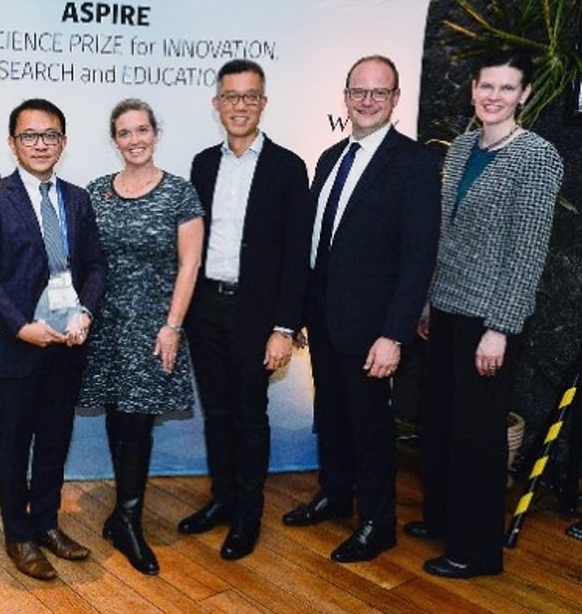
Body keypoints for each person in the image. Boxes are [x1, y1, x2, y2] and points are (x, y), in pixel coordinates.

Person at [408, 51, 562, 578]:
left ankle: (475, 551)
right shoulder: (460, 149)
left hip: (490, 320)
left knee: (477, 436)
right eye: (486, 86)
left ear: (525, 95)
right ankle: (445, 519)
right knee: (441, 422)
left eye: (507, 88)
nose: (494, 96)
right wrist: (428, 299)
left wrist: (500, 329)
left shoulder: (537, 158)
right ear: (473, 90)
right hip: (447, 307)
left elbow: (527, 251)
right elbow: (444, 235)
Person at [282, 55, 440, 563]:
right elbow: (317, 244)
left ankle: (378, 522)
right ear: (345, 96)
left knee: (370, 425)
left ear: (395, 99)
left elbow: (419, 257)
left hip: (374, 328)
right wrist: (304, 312)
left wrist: (393, 334)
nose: (367, 101)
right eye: (358, 92)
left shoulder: (414, 164)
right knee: (330, 413)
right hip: (326, 318)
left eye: (379, 92)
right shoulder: (329, 157)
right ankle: (335, 494)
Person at [179, 59, 312, 560]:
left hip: (258, 315)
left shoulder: (287, 167)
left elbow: (297, 255)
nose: (240, 105)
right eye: (230, 96)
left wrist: (284, 326)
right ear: (217, 105)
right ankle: (223, 500)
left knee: (249, 415)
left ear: (263, 104)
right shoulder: (202, 164)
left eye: (249, 96)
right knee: (216, 412)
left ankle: (248, 517)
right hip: (206, 307)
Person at [0, 98, 106, 581]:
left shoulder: (77, 198)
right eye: (30, 135)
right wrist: (19, 325)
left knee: (54, 438)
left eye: (50, 135)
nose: (41, 144)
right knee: (14, 443)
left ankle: (47, 523)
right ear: (13, 143)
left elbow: (95, 266)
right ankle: (19, 534)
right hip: (19, 342)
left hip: (69, 341)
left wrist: (86, 310)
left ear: (63, 143)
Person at [80, 99, 204, 575]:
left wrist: (172, 327)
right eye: (125, 133)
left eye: (142, 130)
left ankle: (129, 519)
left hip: (154, 327)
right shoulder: (95, 192)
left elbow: (190, 264)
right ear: (115, 140)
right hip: (104, 325)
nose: (135, 140)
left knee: (138, 421)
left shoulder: (179, 193)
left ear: (156, 133)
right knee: (117, 417)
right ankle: (120, 514)